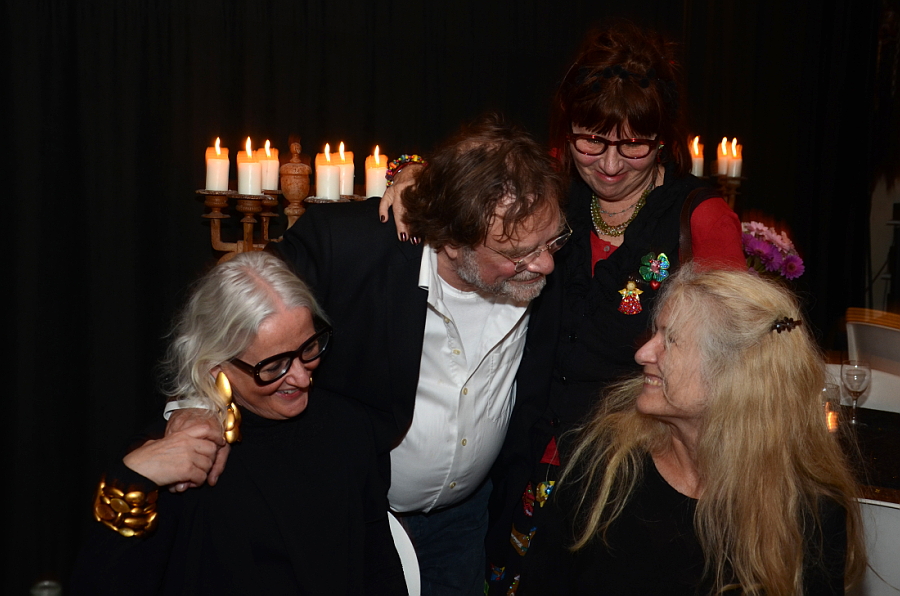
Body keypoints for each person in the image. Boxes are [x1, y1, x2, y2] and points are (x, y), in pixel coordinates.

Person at [379, 24, 749, 590]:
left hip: (629, 476)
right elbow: (462, 179)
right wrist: (409, 173)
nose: (610, 165)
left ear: (664, 137)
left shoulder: (699, 219)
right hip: (523, 465)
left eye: (634, 145)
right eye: (591, 141)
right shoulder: (548, 186)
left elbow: (735, 366)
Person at [166, 113, 569, 596]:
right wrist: (195, 403)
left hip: (467, 522)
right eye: (519, 253)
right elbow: (222, 311)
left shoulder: (540, 267)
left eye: (552, 241)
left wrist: (413, 166)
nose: (545, 263)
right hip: (356, 518)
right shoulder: (348, 245)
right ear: (451, 240)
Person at [70, 251, 406, 595]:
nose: (302, 377)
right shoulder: (183, 455)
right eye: (274, 366)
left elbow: (380, 567)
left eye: (309, 348)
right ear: (215, 366)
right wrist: (132, 478)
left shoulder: (348, 427)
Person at [517, 266, 866, 595]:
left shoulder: (809, 508)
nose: (643, 353)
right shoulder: (606, 464)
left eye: (670, 340)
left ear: (731, 375)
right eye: (655, 332)